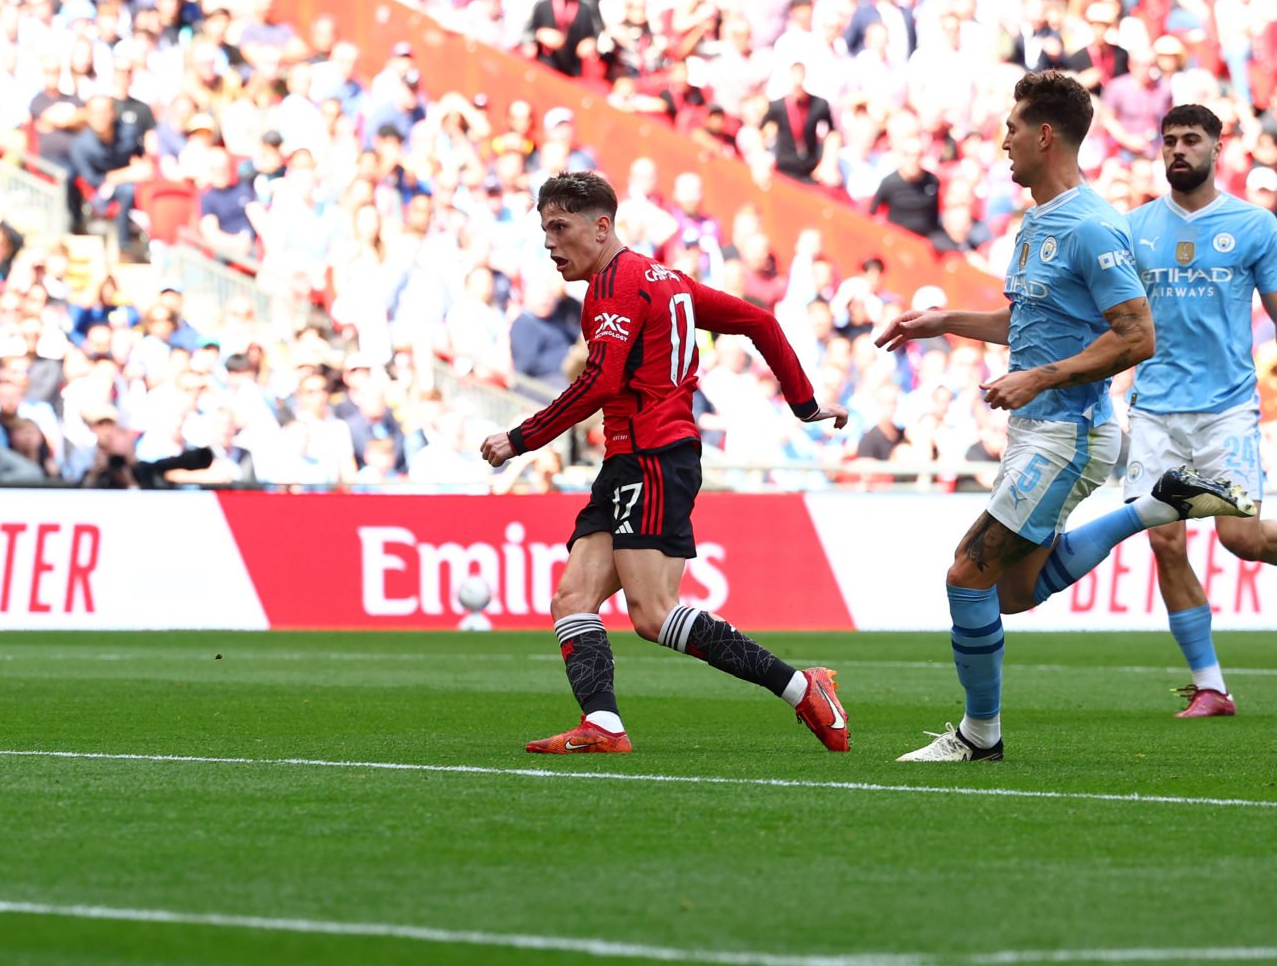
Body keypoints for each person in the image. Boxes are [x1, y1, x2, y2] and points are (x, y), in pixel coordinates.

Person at [876, 72, 1255, 763]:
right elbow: (1026, 324)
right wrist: (945, 321)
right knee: (1014, 593)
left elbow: (1137, 336)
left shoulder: (1092, 225)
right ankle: (1153, 509)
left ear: (1045, 136)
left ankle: (978, 737)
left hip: (1067, 431)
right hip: (1041, 424)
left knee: (967, 575)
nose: (1002, 143)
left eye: (1013, 130)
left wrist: (1039, 379)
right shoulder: (1037, 221)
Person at [479, 171, 853, 755]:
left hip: (652, 456)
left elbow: (601, 379)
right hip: (633, 457)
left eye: (560, 227)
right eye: (544, 229)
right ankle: (602, 725)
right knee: (573, 599)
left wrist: (521, 438)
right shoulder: (666, 280)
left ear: (602, 227)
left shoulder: (616, 286)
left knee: (653, 615)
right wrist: (803, 404)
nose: (550, 243)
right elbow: (761, 322)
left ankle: (803, 686)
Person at [1122, 103, 1277, 717]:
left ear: (1218, 147)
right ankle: (1212, 685)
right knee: (1165, 544)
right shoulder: (1132, 229)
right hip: (1156, 412)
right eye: (1169, 141)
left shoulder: (1254, 225)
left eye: (1192, 139)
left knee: (1240, 539)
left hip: (1226, 413)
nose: (1178, 150)